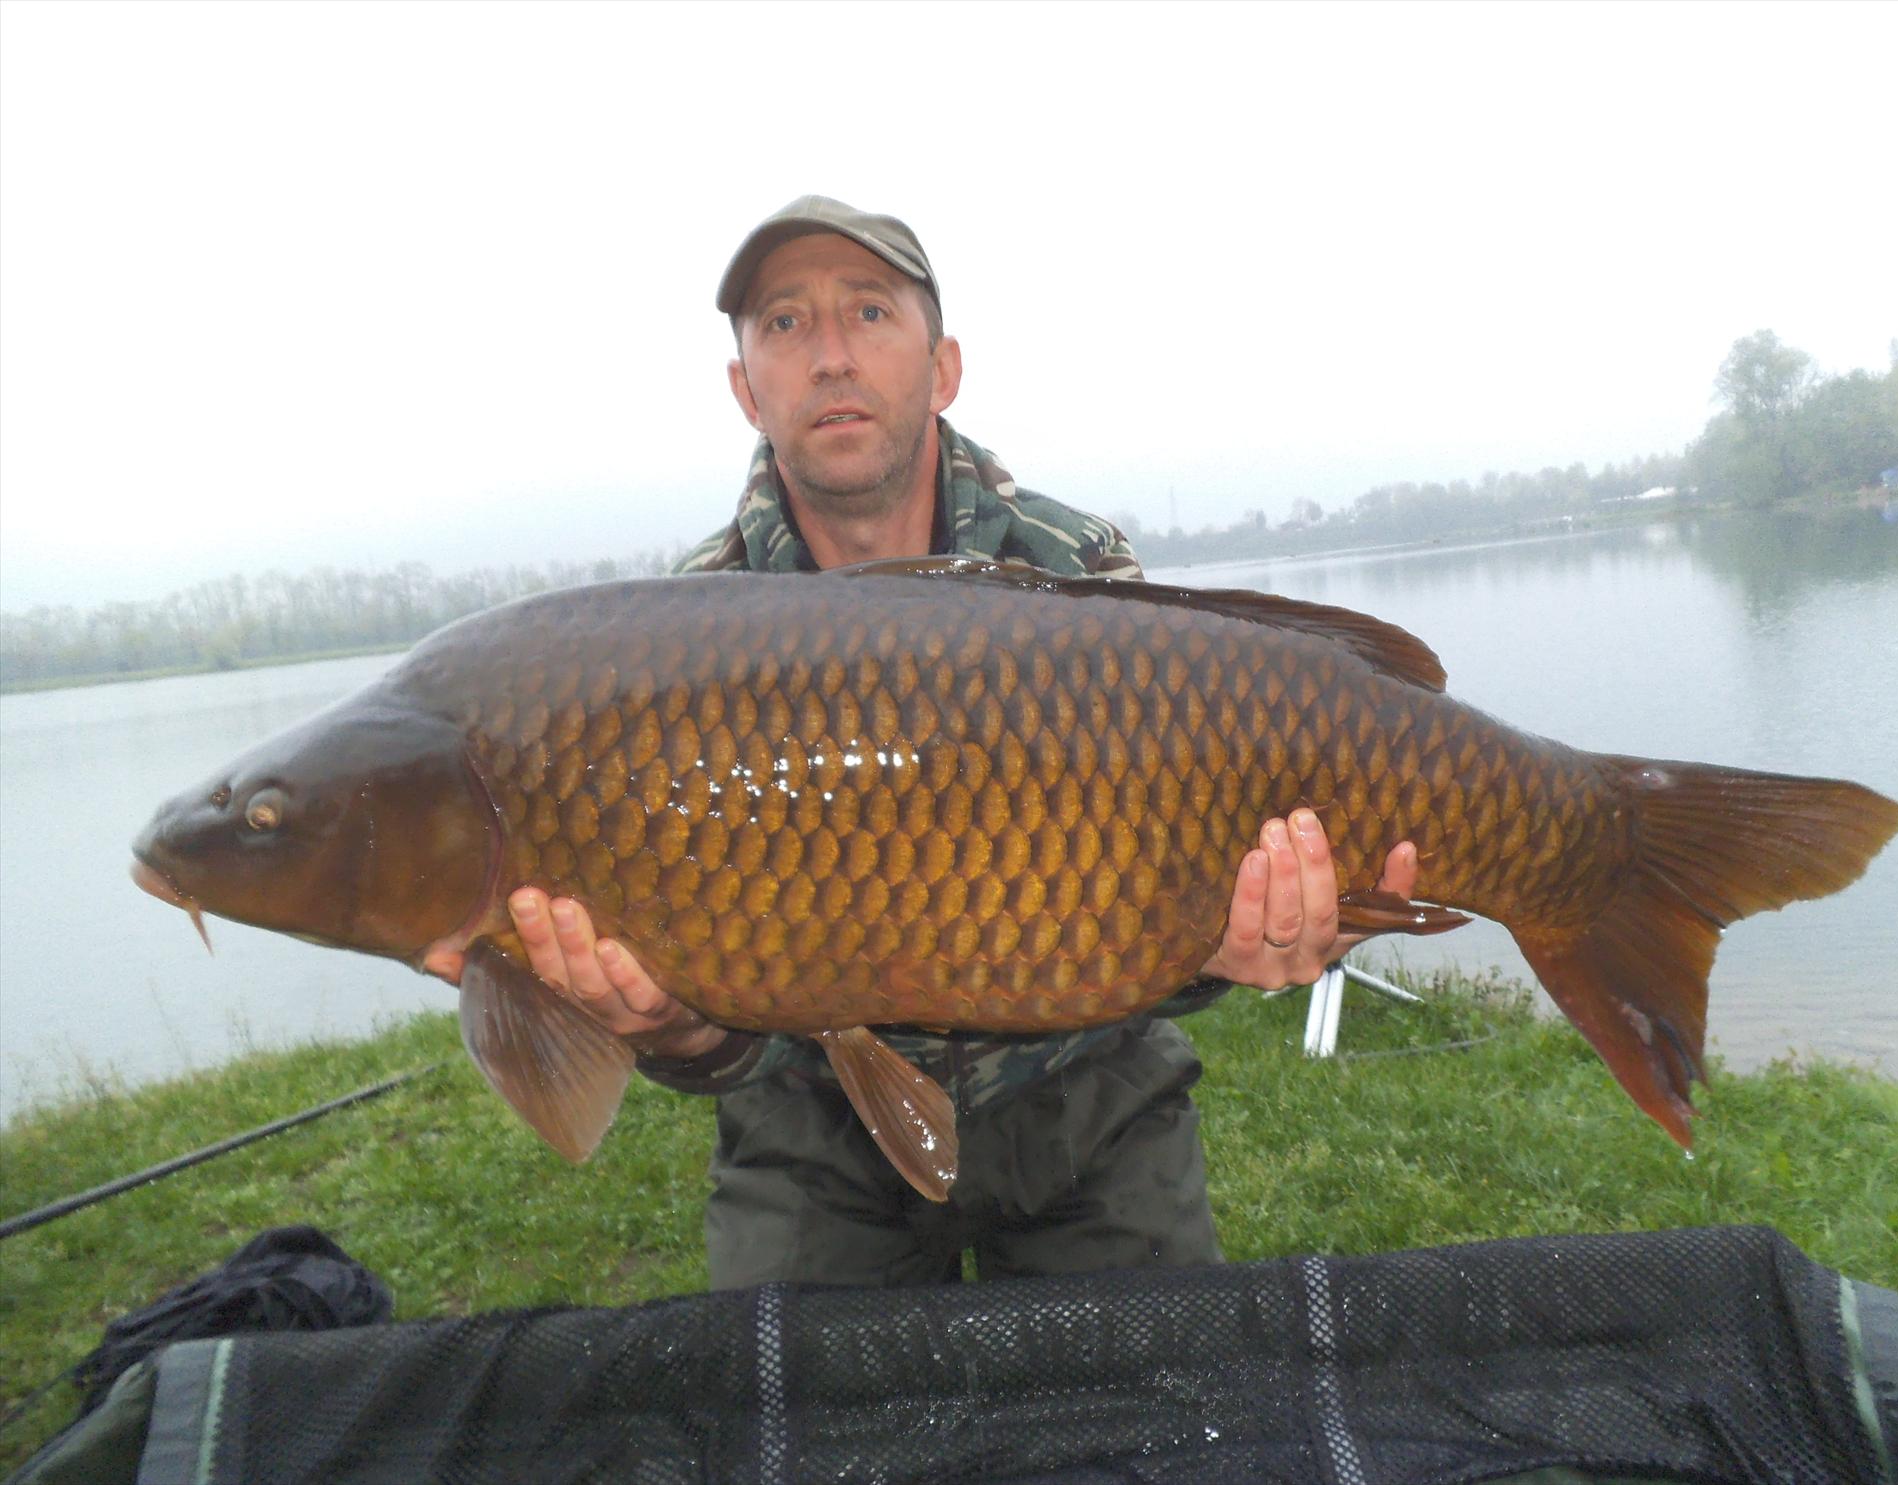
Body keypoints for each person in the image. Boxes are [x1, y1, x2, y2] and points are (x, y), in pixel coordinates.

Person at [502, 197, 1418, 1288]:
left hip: (1084, 1085)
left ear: (942, 368)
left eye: (871, 312)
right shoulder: (679, 635)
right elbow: (715, 1035)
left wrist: (1222, 947)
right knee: (808, 1441)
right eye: (785, 324)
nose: (832, 355)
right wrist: (674, 1031)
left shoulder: (1073, 569)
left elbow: (1165, 904)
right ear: (747, 389)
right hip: (811, 1113)